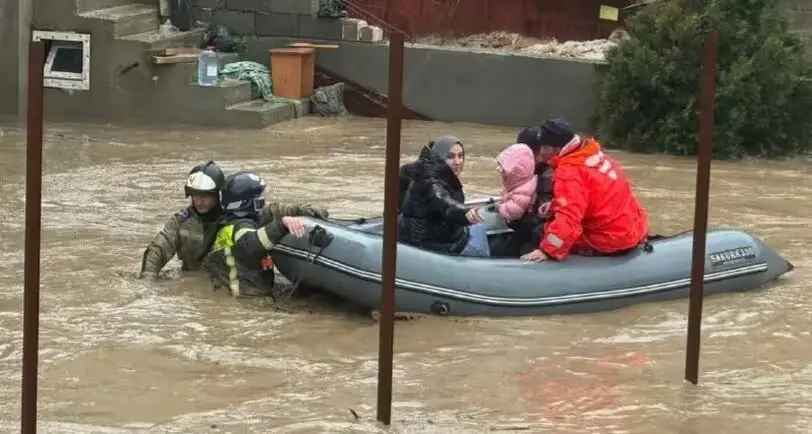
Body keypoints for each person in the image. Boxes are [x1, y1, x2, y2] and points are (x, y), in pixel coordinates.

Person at [521, 118, 649, 262]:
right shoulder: (593, 154)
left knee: (539, 232)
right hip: (631, 229)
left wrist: (547, 250)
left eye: (544, 147)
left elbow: (569, 218)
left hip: (609, 240)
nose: (541, 153)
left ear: (555, 149)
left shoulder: (569, 172)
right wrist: (555, 205)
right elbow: (590, 198)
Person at [201, 171, 326, 298]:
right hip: (246, 300)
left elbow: (270, 212)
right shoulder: (240, 228)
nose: (262, 202)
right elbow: (251, 244)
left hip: (235, 294)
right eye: (259, 198)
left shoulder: (230, 223)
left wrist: (301, 210)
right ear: (249, 202)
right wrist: (281, 225)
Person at [398, 135, 490, 257]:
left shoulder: (424, 171)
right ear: (440, 158)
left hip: (434, 236)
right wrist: (465, 212)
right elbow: (444, 203)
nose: (457, 162)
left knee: (476, 228)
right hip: (431, 245)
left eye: (460, 156)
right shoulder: (430, 183)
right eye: (450, 157)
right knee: (478, 234)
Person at [139, 161, 226, 280]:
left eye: (205, 196)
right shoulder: (181, 220)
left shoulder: (231, 221)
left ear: (218, 195)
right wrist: (147, 279)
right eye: (195, 195)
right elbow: (159, 249)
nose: (199, 201)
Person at [495, 143, 540, 224]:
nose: (498, 169)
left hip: (522, 228)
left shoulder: (524, 191)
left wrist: (499, 208)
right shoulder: (516, 183)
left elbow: (511, 212)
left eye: (503, 168)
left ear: (515, 171)